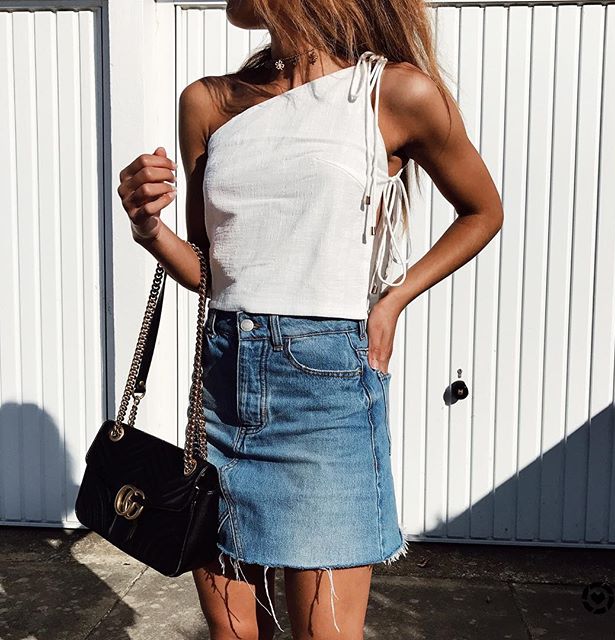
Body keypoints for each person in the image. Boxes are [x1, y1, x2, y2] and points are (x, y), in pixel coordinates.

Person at [117, 0, 503, 637]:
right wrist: (148, 227)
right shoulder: (208, 104)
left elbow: (483, 211)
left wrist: (394, 297)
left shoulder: (392, 93)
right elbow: (212, 270)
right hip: (223, 389)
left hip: (326, 397)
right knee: (233, 634)